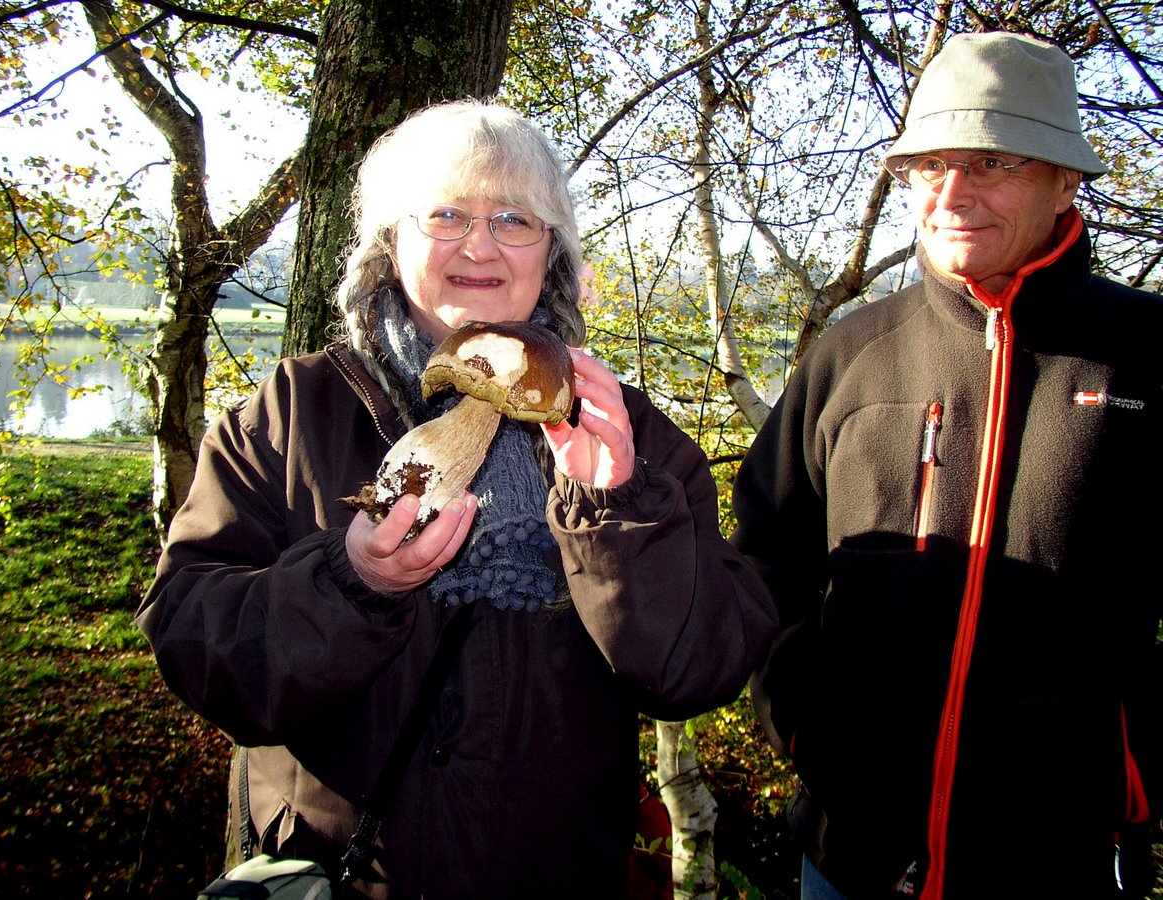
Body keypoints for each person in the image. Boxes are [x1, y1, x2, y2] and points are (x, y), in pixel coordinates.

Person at [138, 99, 778, 899]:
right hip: (342, 875)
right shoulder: (291, 413)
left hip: (553, 878)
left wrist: (616, 508)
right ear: (390, 243)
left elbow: (697, 670)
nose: (480, 245)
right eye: (445, 214)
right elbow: (196, 646)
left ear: (552, 251)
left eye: (515, 219)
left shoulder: (628, 431)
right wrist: (349, 583)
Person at [731, 32, 1162, 900]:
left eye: (993, 162)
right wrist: (807, 721)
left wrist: (1128, 763)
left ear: (1065, 181)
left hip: (1058, 865)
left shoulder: (1147, 354)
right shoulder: (851, 351)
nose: (953, 193)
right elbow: (763, 557)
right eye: (930, 165)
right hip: (846, 862)